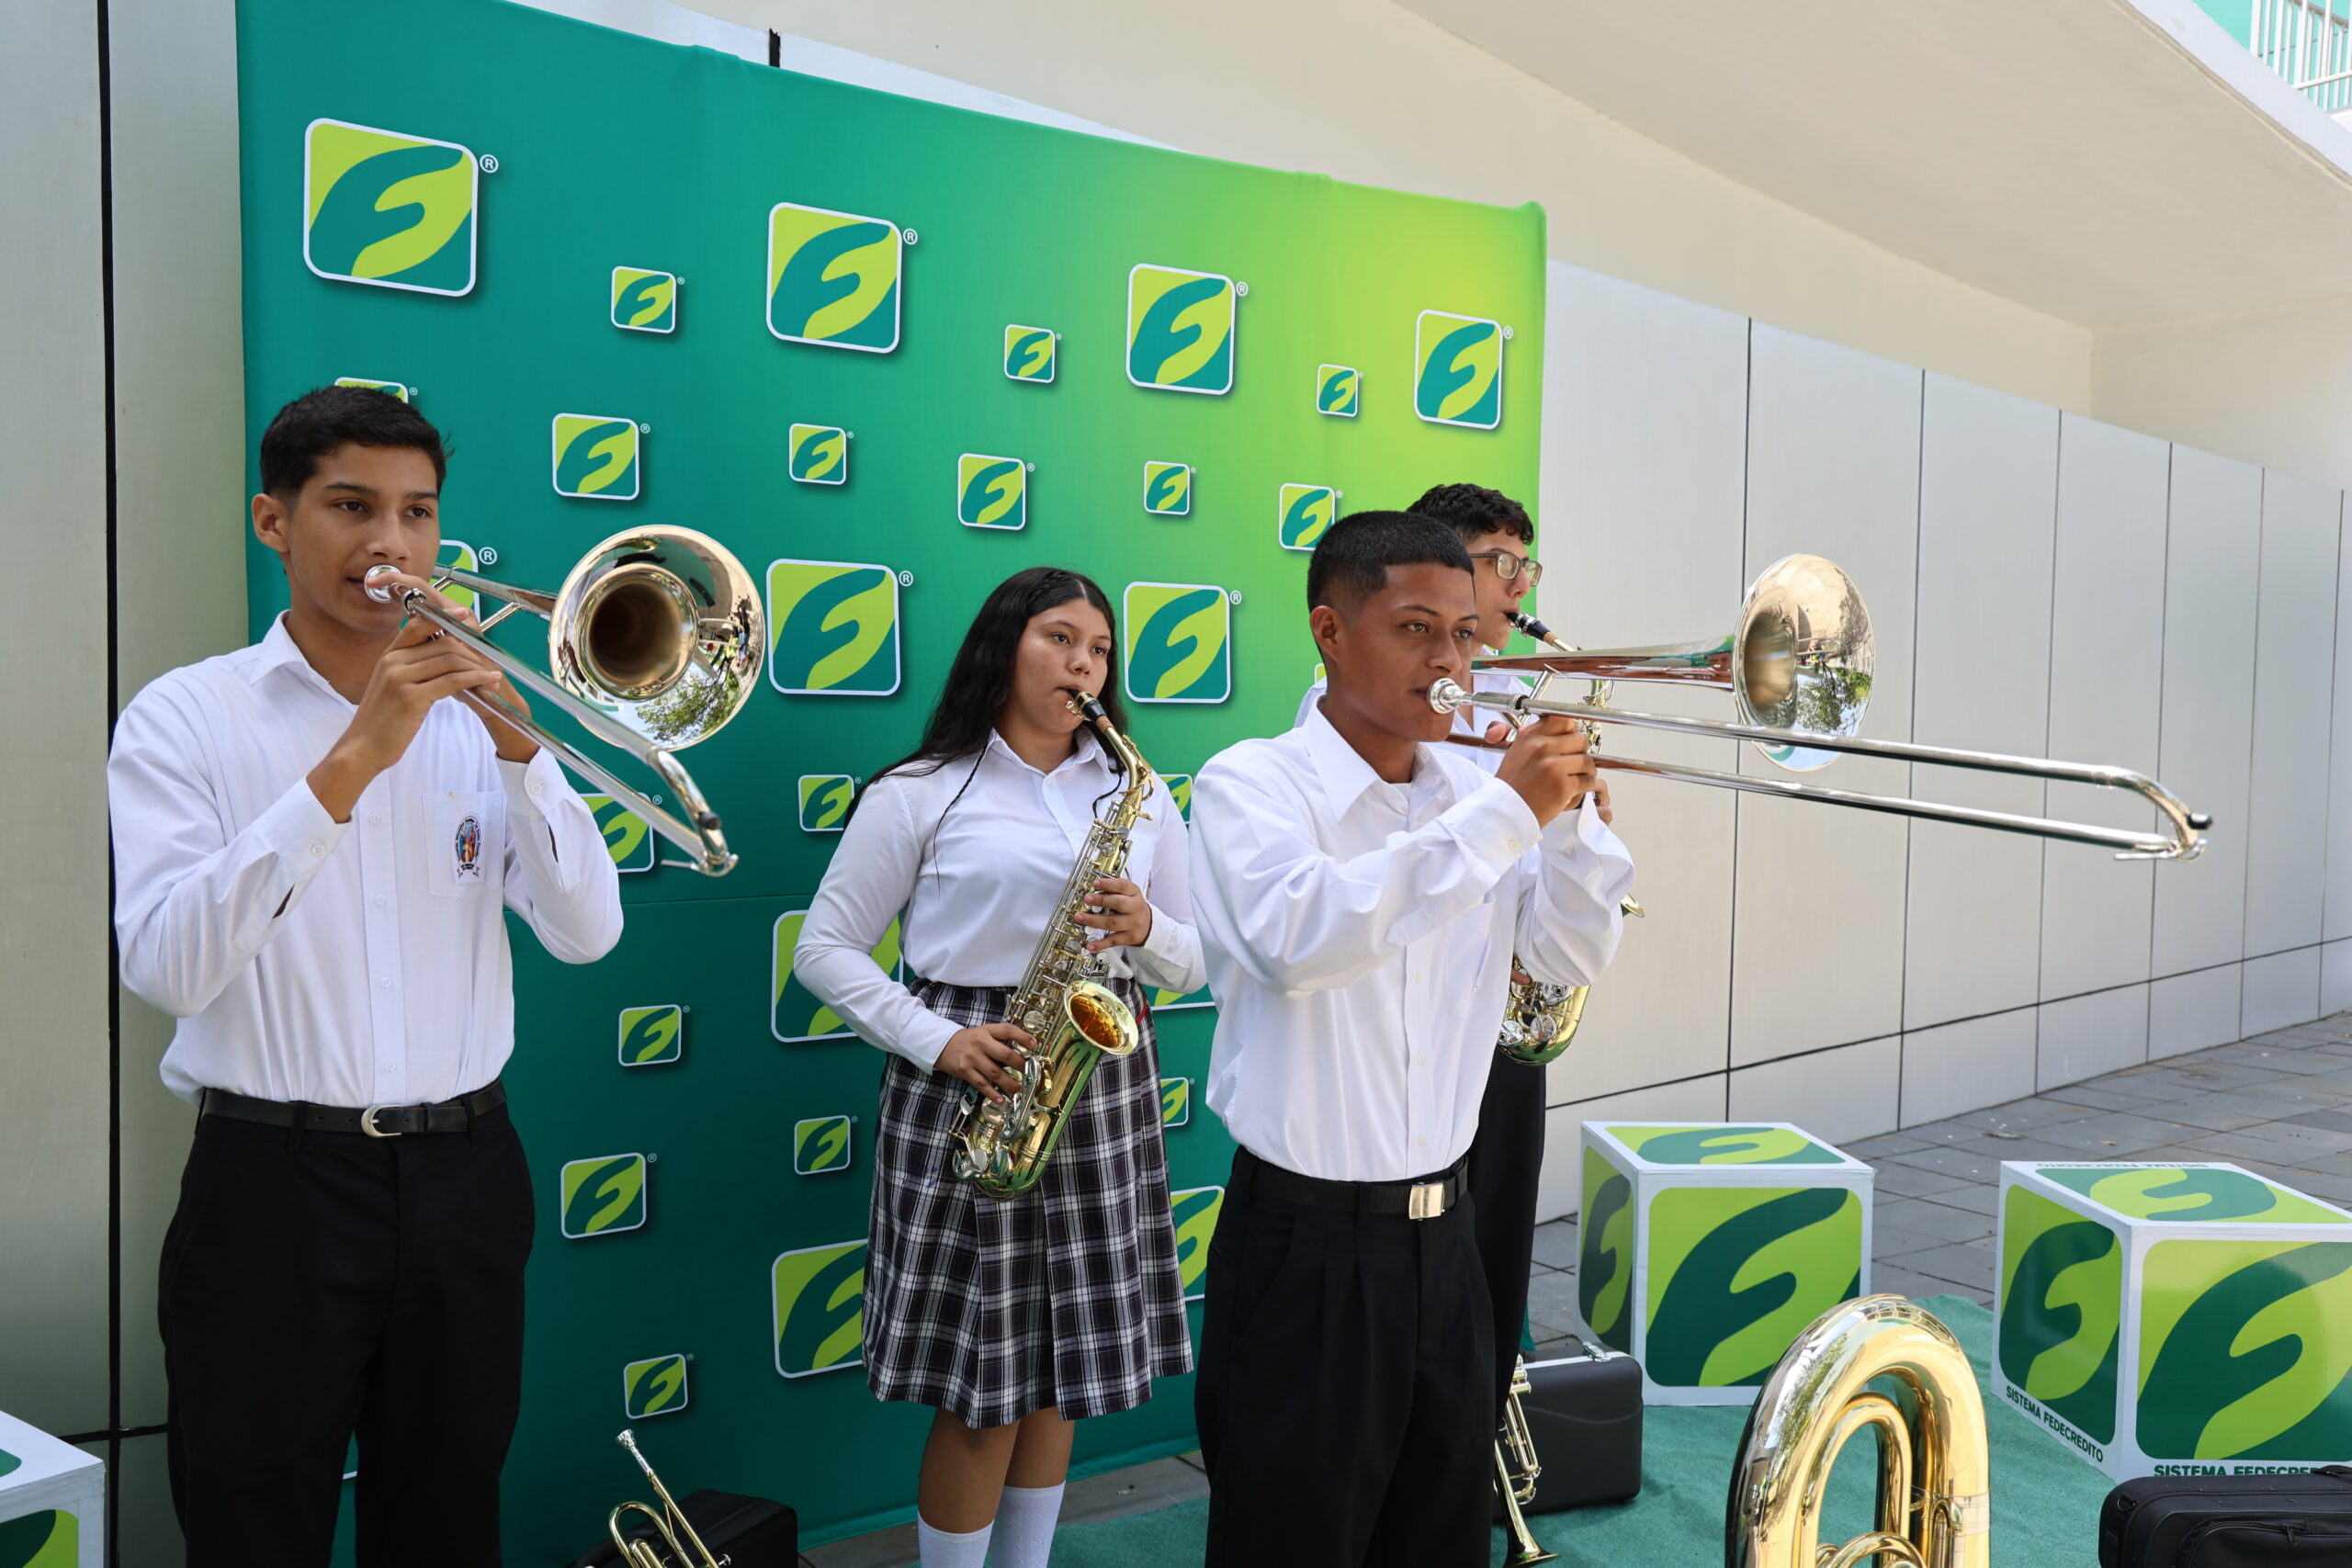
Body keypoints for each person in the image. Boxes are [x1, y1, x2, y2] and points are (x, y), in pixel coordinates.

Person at [107, 385, 624, 1567]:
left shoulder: (477, 714)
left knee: (446, 1521)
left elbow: (588, 933)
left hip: (465, 1175)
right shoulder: (185, 716)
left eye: (417, 512)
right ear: (273, 521)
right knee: (251, 1525)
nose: (390, 543)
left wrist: (522, 750)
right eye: (350, 506)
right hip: (271, 1187)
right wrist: (352, 760)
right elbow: (170, 966)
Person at [1192, 512, 1634, 1565]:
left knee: (1437, 1541)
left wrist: (1572, 831)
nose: (1448, 662)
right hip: (1304, 1251)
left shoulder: (1478, 795)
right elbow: (1299, 937)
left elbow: (1568, 954)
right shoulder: (1250, 783)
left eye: (1466, 635)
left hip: (1448, 1244)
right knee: (1290, 1545)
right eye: (1415, 629)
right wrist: (1506, 815)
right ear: (1330, 632)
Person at [794, 567, 1205, 1568]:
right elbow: (824, 948)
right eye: (1059, 638)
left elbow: (1196, 961)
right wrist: (938, 1038)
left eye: (1099, 649)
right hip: (970, 1075)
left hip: (1099, 1079)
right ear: (1001, 646)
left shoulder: (1140, 792)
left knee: (1061, 1379)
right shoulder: (919, 790)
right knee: (983, 1391)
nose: (1083, 664)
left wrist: (1147, 928)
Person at [1297, 481, 1623, 1432]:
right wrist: (1511, 805)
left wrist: (1578, 835)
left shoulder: (1520, 704)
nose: (1518, 588)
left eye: (1526, 565)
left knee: (1492, 1257)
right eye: (1497, 564)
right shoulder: (1334, 728)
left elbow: (1562, 929)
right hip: (1373, 1063)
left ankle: (1480, 1444)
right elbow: (1347, 903)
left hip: (1492, 1027)